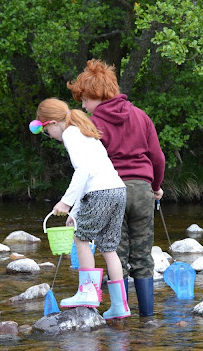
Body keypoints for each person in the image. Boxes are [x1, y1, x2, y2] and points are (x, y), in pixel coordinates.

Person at [67, 59, 165, 317]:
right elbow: (158, 158)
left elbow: (88, 166)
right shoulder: (141, 115)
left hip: (112, 191)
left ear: (95, 95)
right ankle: (147, 318)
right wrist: (155, 186)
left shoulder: (92, 124)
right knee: (143, 257)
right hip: (143, 190)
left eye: (84, 100)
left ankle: (118, 313)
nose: (83, 106)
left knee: (115, 252)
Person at [31, 98, 130, 320]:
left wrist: (65, 203)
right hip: (117, 190)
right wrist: (75, 212)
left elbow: (83, 172)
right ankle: (119, 306)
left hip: (99, 193)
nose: (51, 136)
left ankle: (88, 292)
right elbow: (90, 173)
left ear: (51, 123)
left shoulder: (70, 134)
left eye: (47, 132)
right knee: (108, 248)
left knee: (81, 238)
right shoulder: (83, 131)